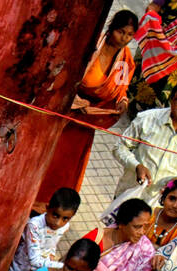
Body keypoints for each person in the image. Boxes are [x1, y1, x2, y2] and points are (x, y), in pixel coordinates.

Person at [45, 14, 139, 195]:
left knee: (69, 163)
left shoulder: (125, 59)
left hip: (88, 118)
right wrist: (72, 98)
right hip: (66, 110)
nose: (124, 39)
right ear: (111, 28)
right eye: (121, 32)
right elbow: (65, 70)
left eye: (129, 35)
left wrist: (122, 101)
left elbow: (121, 87)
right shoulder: (92, 45)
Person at [114, 78, 177, 207]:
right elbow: (120, 147)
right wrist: (136, 166)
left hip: (165, 207)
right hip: (128, 196)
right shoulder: (146, 118)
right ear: (171, 98)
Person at [82, 198, 163, 271]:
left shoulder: (145, 248)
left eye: (146, 226)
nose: (142, 232)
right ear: (121, 224)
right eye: (137, 227)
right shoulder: (97, 238)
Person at [6, 188, 81, 271]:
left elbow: (52, 245)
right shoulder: (34, 226)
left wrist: (51, 255)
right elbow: (35, 261)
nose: (58, 223)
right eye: (55, 215)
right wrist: (64, 267)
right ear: (47, 208)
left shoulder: (65, 226)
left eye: (65, 218)